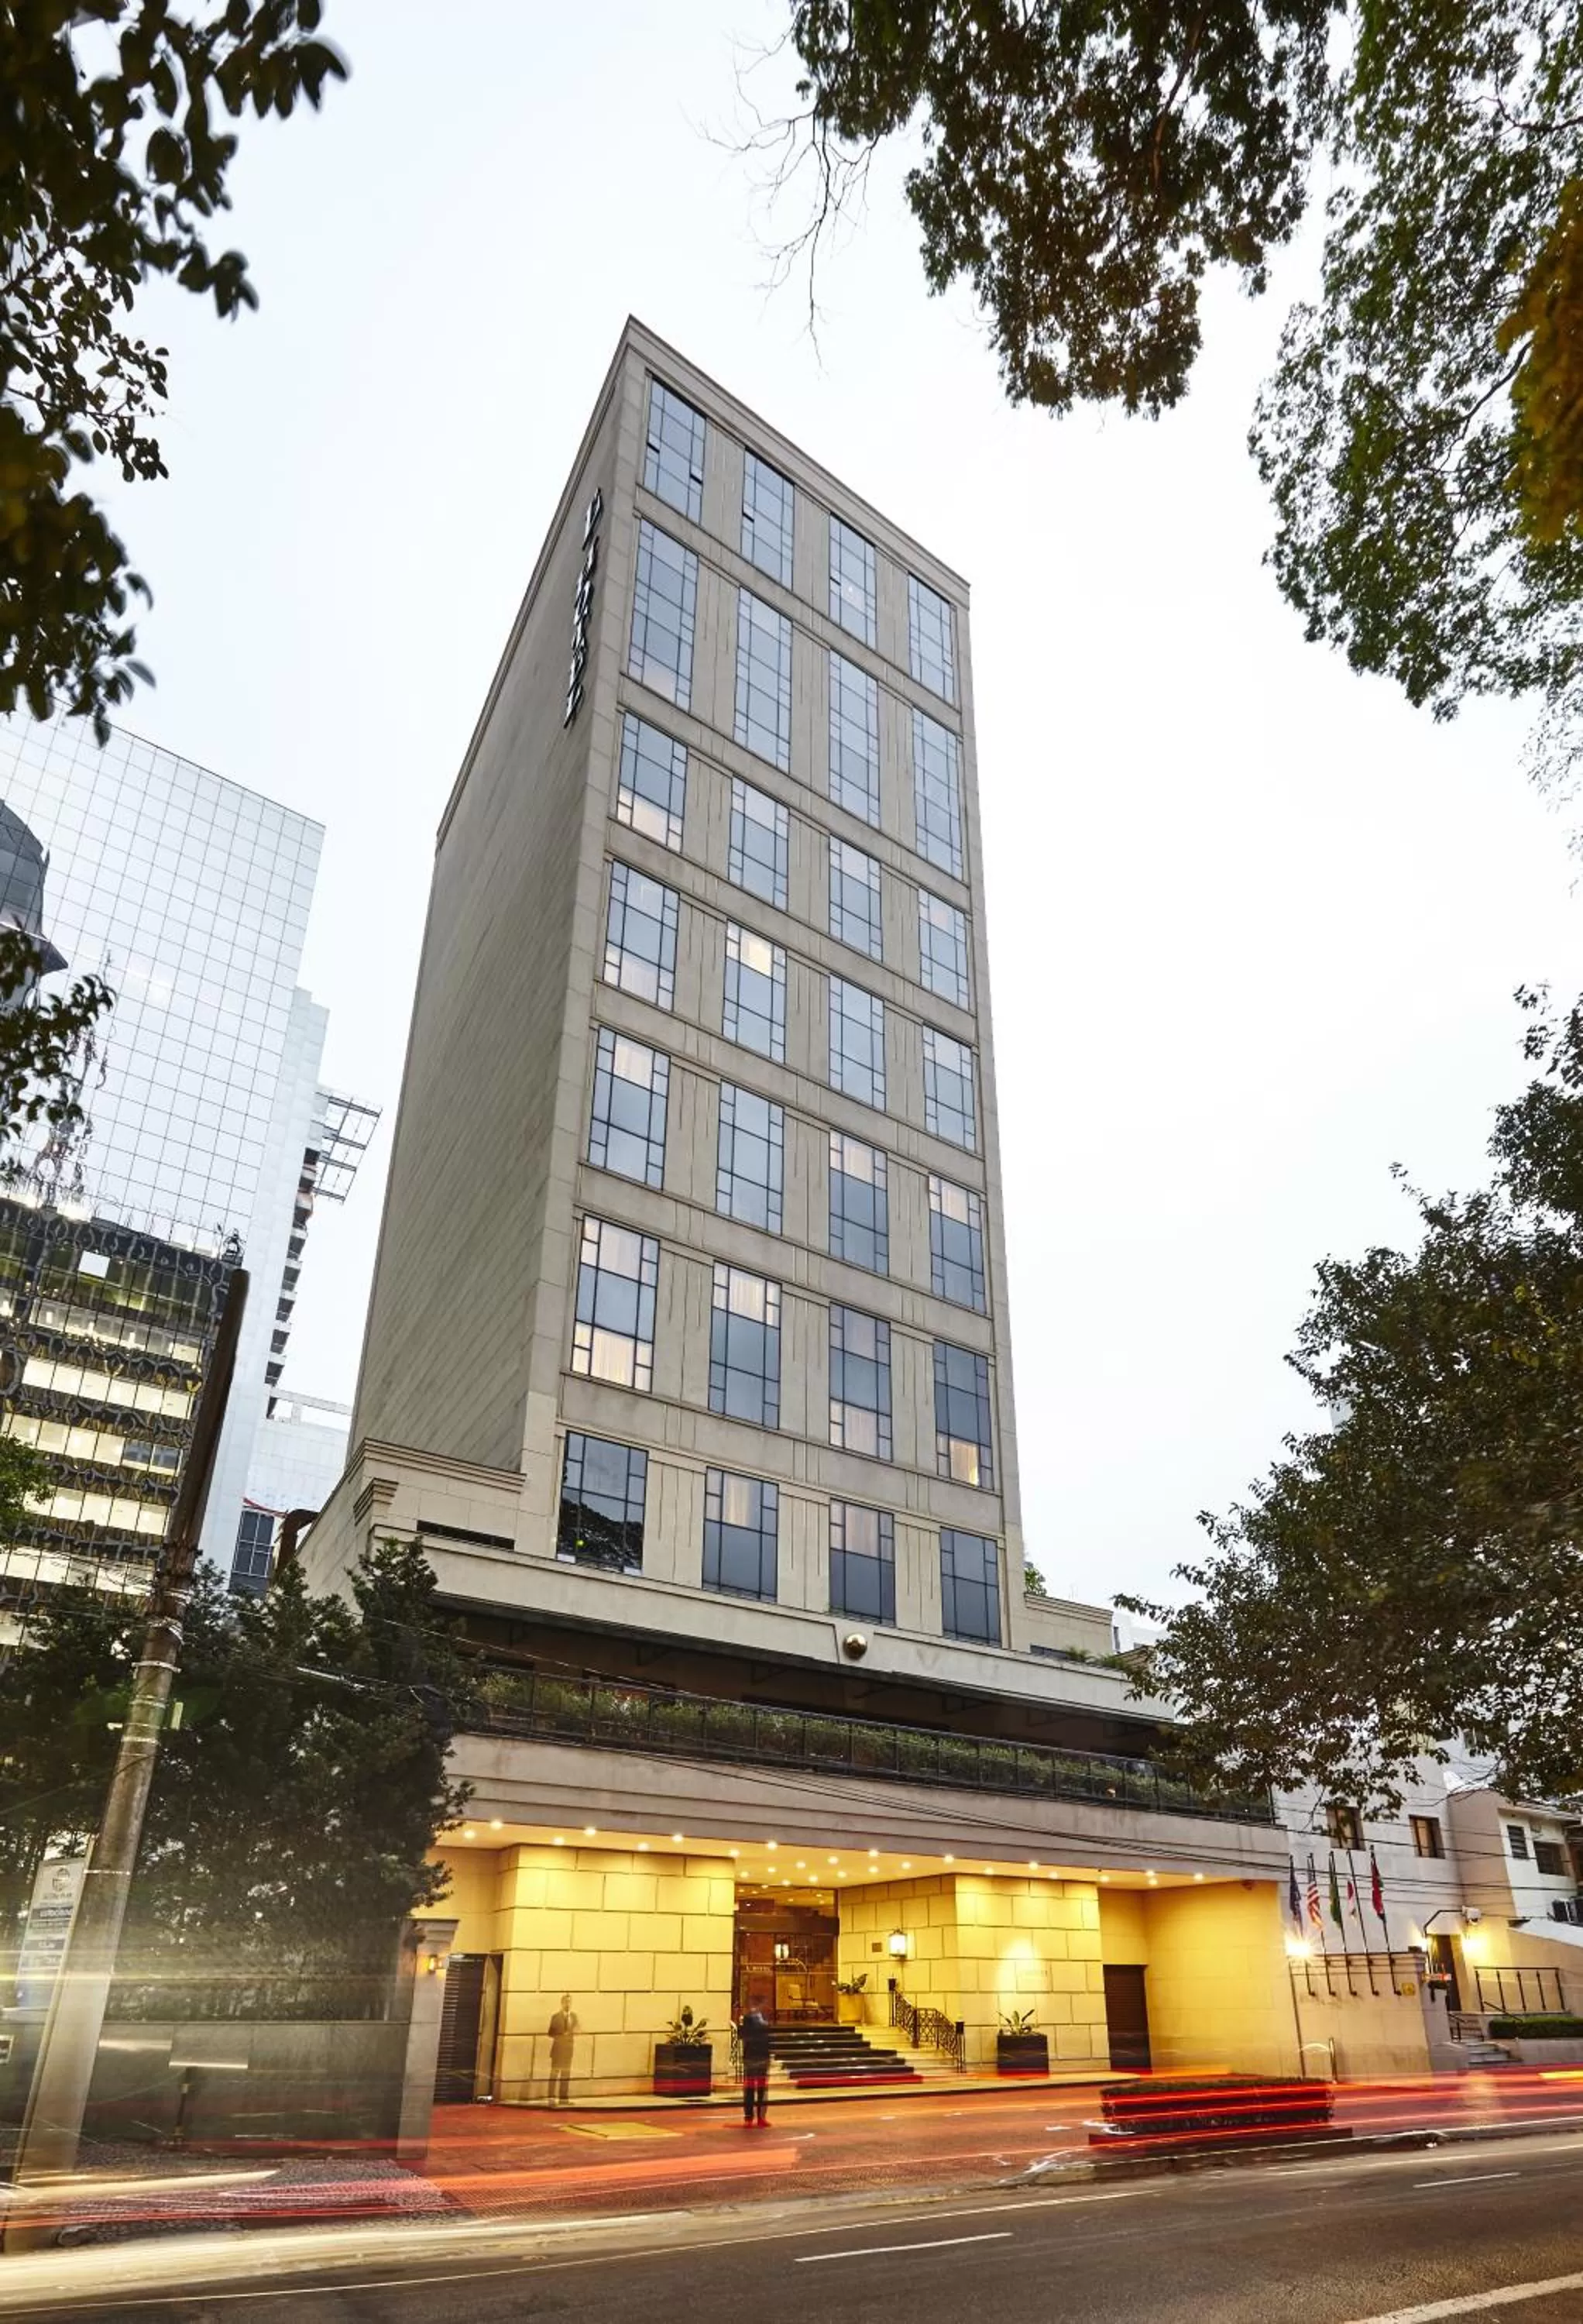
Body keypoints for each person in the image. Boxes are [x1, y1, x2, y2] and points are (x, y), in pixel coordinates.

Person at [738, 2004, 771, 2126]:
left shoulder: (764, 2019)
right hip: (752, 2057)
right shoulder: (749, 2018)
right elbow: (744, 2036)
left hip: (760, 2056)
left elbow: (768, 2039)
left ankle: (760, 2117)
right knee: (751, 2089)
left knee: (761, 2089)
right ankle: (749, 2117)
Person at [548, 1992, 579, 2106]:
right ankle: (551, 2098)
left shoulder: (574, 2017)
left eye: (570, 2002)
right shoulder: (555, 2017)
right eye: (566, 2002)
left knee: (566, 2075)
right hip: (557, 2050)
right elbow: (550, 2033)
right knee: (554, 2075)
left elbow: (577, 2029)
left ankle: (563, 2099)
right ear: (562, 2003)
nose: (568, 2004)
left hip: (568, 2050)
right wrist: (561, 2035)